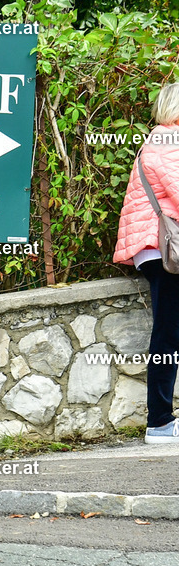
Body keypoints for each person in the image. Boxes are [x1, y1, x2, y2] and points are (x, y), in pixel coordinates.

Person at [114, 82, 179, 443]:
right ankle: (159, 422)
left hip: (157, 247)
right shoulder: (168, 144)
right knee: (168, 333)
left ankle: (163, 419)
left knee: (170, 332)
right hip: (162, 249)